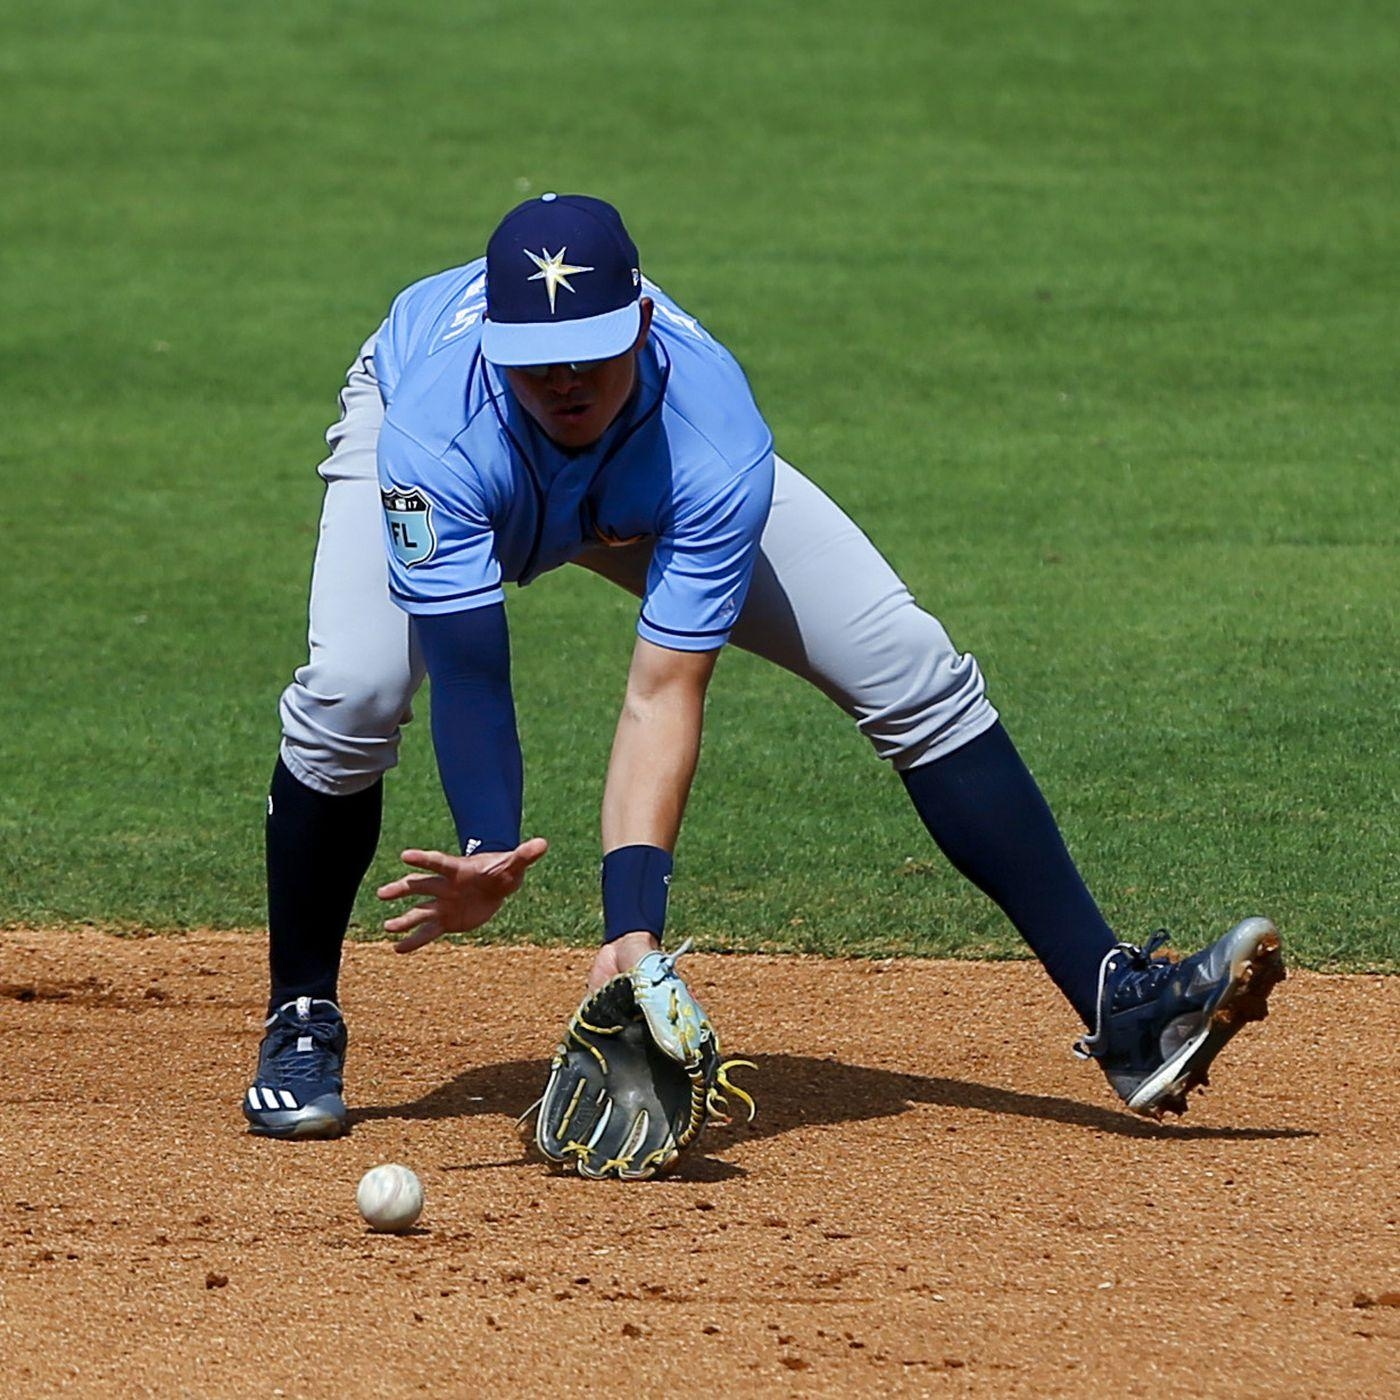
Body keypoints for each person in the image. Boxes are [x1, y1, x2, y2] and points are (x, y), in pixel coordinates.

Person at [244, 193, 1284, 1151]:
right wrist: (484, 844)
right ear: (495, 346)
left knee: (910, 668)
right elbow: (470, 668)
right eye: (536, 361)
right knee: (352, 694)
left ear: (642, 326)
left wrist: (629, 930)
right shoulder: (436, 424)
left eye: (589, 355)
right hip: (458, 461)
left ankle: (1123, 1010)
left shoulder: (711, 436)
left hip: (648, 479)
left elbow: (661, 689)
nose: (563, 382)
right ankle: (301, 1009)